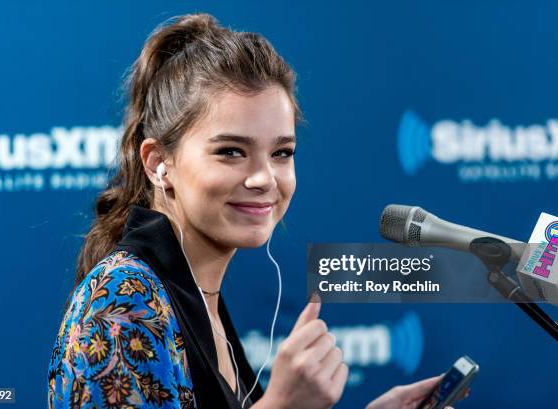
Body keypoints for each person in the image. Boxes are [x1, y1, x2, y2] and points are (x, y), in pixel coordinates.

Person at [47, 12, 467, 409]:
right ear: (159, 164)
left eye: (282, 152)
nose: (264, 178)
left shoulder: (196, 295)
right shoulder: (124, 303)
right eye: (231, 151)